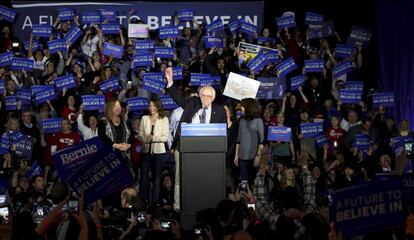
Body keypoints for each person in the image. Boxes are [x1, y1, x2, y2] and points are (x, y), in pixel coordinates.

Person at [164, 67, 226, 149]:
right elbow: (178, 97)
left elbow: (224, 132)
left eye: (209, 96)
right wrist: (170, 80)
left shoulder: (220, 111)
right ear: (199, 96)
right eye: (203, 95)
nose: (206, 98)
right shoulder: (193, 103)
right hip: (189, 144)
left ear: (213, 98)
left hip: (210, 146)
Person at [139, 95, 170, 203]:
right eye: (150, 105)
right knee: (144, 179)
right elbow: (140, 135)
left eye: (154, 105)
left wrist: (153, 138)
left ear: (158, 106)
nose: (151, 108)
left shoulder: (164, 119)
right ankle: (143, 202)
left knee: (157, 180)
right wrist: (147, 139)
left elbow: (165, 137)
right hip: (145, 152)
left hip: (159, 153)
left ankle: (155, 203)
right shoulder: (144, 118)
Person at [234, 98, 264, 184]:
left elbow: (261, 141)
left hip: (254, 156)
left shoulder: (258, 121)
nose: (241, 108)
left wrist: (258, 156)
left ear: (248, 107)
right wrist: (236, 155)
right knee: (244, 182)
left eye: (242, 106)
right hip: (242, 157)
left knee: (255, 182)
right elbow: (238, 139)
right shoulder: (242, 121)